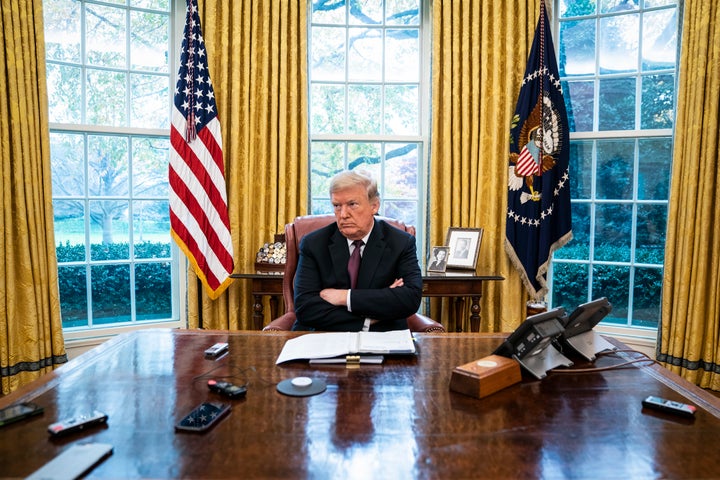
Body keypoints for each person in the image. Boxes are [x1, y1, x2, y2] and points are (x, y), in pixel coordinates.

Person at [292, 170, 423, 332]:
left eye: (352, 204)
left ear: (374, 206)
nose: (343, 214)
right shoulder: (314, 244)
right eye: (337, 206)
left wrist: (344, 297)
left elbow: (409, 300)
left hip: (382, 336)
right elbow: (306, 308)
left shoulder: (400, 243)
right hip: (323, 335)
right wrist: (373, 315)